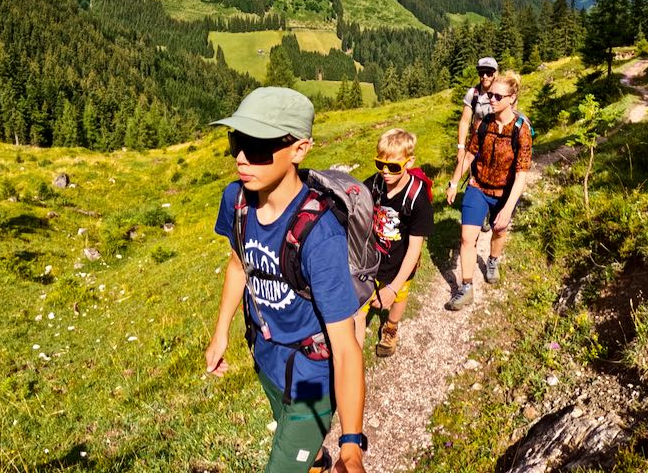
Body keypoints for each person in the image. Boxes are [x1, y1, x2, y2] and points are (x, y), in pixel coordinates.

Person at [204, 87, 368, 473]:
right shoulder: (237, 200)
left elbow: (346, 348)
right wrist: (221, 331)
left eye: (258, 146)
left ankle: (316, 453)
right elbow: (238, 263)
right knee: (301, 448)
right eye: (236, 141)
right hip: (266, 358)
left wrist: (351, 447)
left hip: (312, 378)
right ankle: (315, 459)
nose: (242, 158)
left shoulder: (320, 237)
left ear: (299, 150)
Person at [443, 70, 532, 310]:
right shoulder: (483, 124)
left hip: (504, 192)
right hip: (478, 187)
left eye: (497, 96)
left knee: (499, 231)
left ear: (512, 98)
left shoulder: (521, 129)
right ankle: (466, 287)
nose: (491, 99)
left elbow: (522, 173)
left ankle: (492, 260)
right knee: (466, 237)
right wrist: (453, 183)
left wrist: (509, 208)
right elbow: (470, 155)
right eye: (490, 95)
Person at [353, 128, 434, 358]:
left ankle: (391, 327)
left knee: (398, 299)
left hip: (400, 262)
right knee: (359, 309)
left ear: (409, 162)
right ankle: (354, 359)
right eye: (380, 164)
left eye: (394, 167)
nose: (385, 172)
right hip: (371, 260)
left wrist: (393, 286)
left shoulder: (417, 199)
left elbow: (415, 249)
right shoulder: (375, 183)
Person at [458, 56, 498, 232]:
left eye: (489, 73)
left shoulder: (501, 94)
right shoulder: (473, 94)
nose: (485, 77)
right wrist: (461, 147)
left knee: (493, 178)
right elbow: (465, 121)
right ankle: (474, 213)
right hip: (476, 145)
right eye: (482, 73)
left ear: (495, 74)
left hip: (497, 146)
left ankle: (491, 211)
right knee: (474, 176)